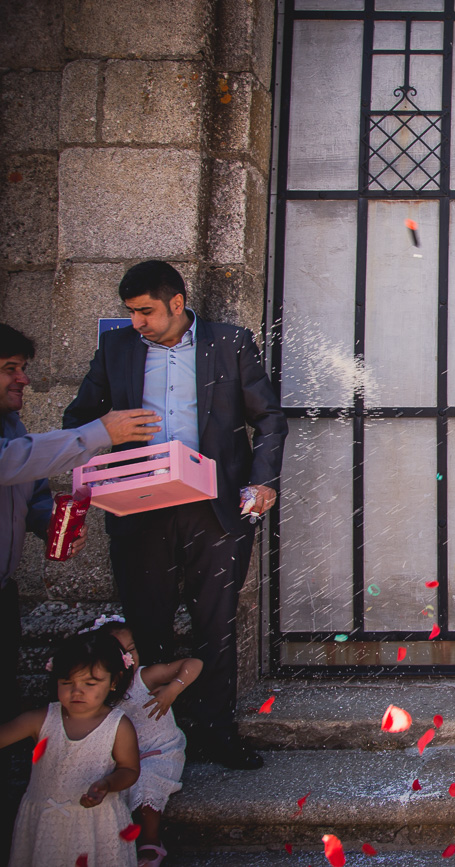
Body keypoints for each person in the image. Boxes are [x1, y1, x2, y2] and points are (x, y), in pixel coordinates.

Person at [63, 261, 287, 770]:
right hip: (138, 510)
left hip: (214, 510)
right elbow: (76, 420)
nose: (136, 323)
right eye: (131, 313)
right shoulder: (116, 348)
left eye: (146, 312)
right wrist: (108, 431)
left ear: (177, 303)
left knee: (217, 625)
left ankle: (216, 736)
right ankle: (154, 740)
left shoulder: (230, 342)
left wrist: (263, 481)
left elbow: (269, 418)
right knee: (147, 627)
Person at [0, 323, 159, 865]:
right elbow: (8, 463)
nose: (23, 378)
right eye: (10, 369)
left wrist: (50, 520)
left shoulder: (14, 421)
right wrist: (100, 432)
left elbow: (28, 485)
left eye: (22, 367)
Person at [0, 630, 140, 867]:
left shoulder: (117, 726)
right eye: (67, 683)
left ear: (113, 681)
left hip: (95, 824)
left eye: (90, 683)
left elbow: (129, 769)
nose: (77, 691)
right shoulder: (42, 719)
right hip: (44, 822)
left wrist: (107, 784)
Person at [97, 616, 200, 867]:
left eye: (132, 649)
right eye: (120, 653)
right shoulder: (100, 689)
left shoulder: (145, 678)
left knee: (146, 785)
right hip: (122, 758)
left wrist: (173, 688)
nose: (129, 658)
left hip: (159, 751)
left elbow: (193, 663)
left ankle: (150, 840)